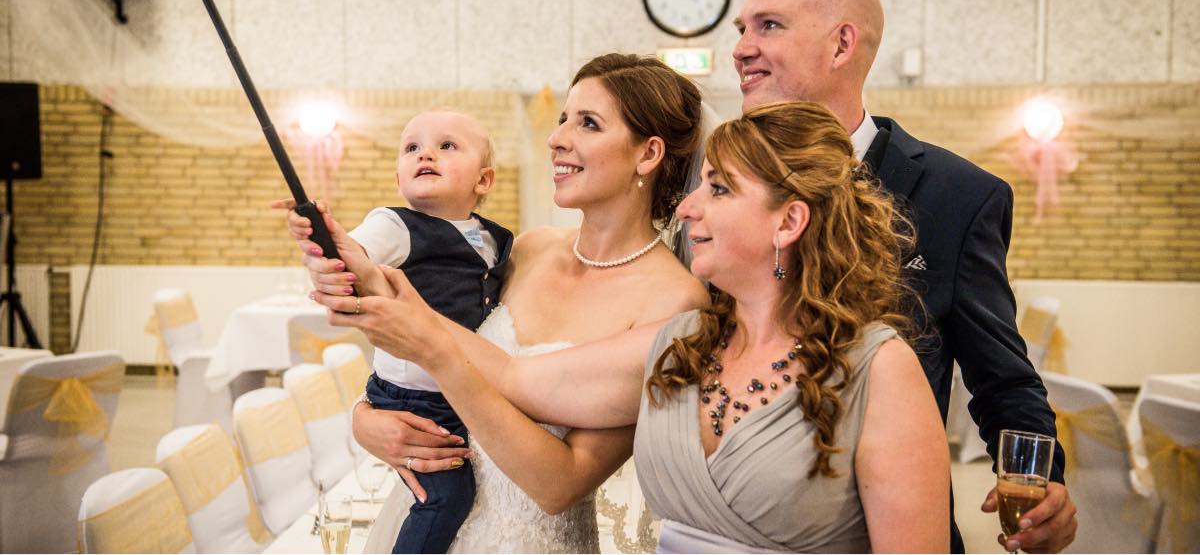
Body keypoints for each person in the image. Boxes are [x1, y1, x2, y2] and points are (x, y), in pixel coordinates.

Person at [314, 101, 952, 552]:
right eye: (700, 184)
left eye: (721, 190)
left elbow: (553, 468)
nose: (693, 207)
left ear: (789, 223)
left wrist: (416, 329)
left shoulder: (871, 364)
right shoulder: (688, 344)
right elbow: (508, 373)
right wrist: (369, 411)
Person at [288, 53, 708, 552]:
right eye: (562, 120)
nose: (556, 139)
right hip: (427, 516)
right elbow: (439, 360)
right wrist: (369, 418)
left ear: (648, 154)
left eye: (588, 123)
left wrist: (424, 339)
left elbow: (560, 484)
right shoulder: (528, 250)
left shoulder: (674, 301)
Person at [731, 0, 1075, 553]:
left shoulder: (959, 196)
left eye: (767, 26)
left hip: (889, 529)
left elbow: (1003, 381)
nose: (740, 48)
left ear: (842, 44)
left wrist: (1039, 483)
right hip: (734, 525)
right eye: (741, 29)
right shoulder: (719, 186)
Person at [277, 109, 513, 553]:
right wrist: (318, 244)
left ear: (484, 181)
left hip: (460, 390)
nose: (426, 153)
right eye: (412, 148)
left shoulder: (495, 240)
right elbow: (348, 257)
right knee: (445, 496)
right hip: (413, 396)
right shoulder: (396, 225)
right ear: (399, 177)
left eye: (447, 146)